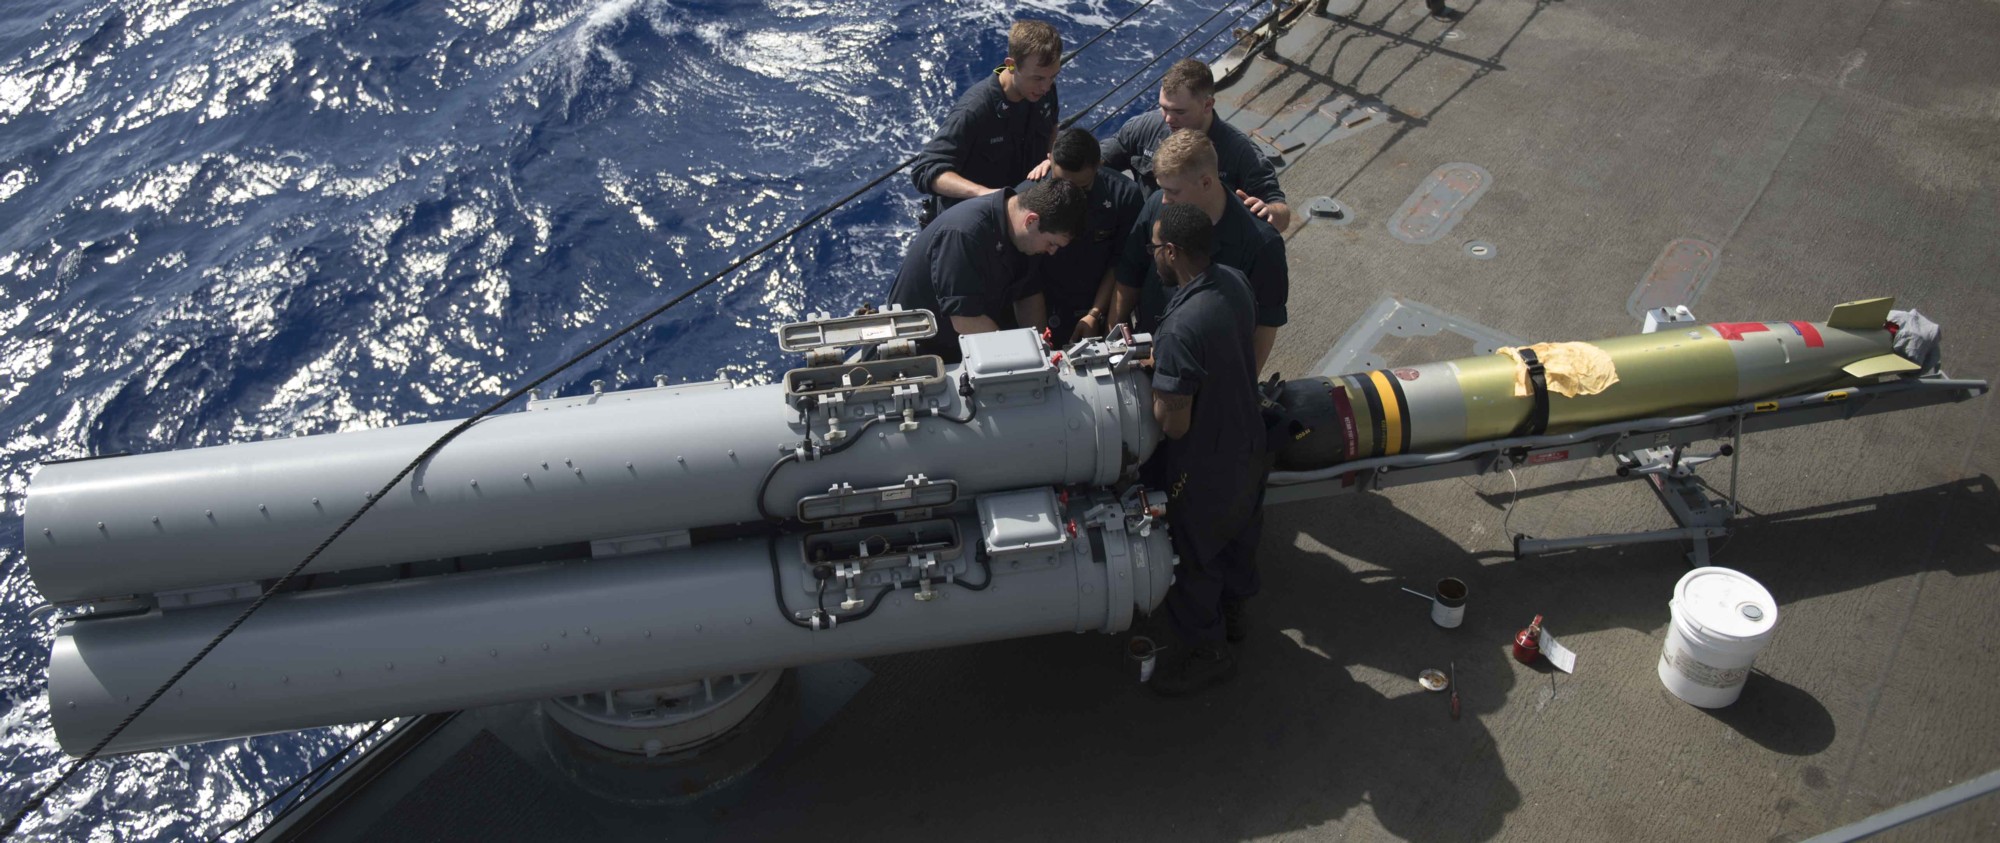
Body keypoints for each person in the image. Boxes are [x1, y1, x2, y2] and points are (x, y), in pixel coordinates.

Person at [1141, 203, 1268, 697]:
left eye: (1155, 249)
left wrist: (1158, 382)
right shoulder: (1233, 281)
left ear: (1172, 252)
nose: (1152, 257)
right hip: (1249, 439)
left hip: (1205, 464)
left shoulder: (1178, 328)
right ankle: (1236, 614)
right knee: (1241, 533)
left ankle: (1208, 651)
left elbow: (1173, 425)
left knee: (1193, 557)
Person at [1110, 129, 1288, 373]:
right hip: (1145, 358)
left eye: (1173, 191)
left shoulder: (1261, 244)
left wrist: (1241, 388)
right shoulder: (1157, 208)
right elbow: (1130, 273)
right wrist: (1114, 341)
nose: (1164, 200)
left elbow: (1265, 327)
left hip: (1207, 374)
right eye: (1163, 189)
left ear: (1206, 182)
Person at [885, 177, 1087, 362]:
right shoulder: (964, 235)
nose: (1051, 252)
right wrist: (1023, 354)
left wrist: (1042, 348)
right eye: (1052, 243)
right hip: (920, 354)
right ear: (1031, 221)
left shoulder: (1024, 237)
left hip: (969, 343)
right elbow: (965, 320)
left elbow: (1027, 293)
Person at [1097, 59, 1291, 230]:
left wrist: (1269, 211)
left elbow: (1281, 213)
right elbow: (1097, 162)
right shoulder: (1143, 129)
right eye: (1163, 108)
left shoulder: (1241, 153)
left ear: (1207, 105)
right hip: (1147, 236)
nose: (1168, 119)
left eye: (1180, 112)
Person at [911, 20, 1064, 223]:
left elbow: (1052, 126)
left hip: (1023, 212)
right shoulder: (975, 110)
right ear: (1010, 65)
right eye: (1037, 78)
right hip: (977, 220)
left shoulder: (1042, 91)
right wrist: (985, 194)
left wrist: (1051, 156)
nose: (1046, 86)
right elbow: (926, 170)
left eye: (1052, 77)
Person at [1015, 128, 1145, 343]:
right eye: (1061, 183)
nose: (1069, 196)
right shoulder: (1026, 196)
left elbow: (1122, 263)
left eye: (1081, 187)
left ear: (1098, 166)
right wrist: (1038, 339)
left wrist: (1095, 314)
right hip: (1041, 312)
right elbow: (1024, 276)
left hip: (1098, 309)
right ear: (1049, 160)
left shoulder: (1124, 196)